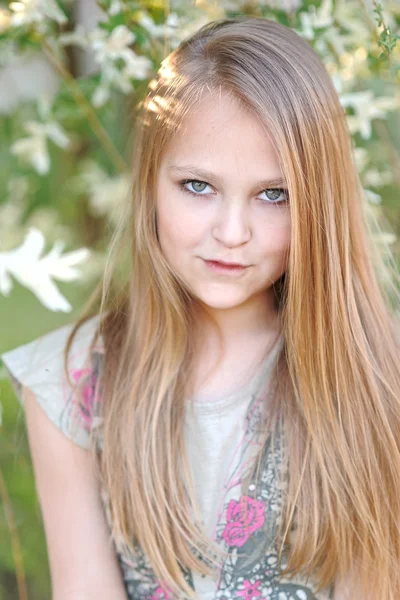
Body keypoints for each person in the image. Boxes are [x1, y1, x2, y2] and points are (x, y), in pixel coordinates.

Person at [2, 16, 400, 600]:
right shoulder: (71, 384)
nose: (232, 232)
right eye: (198, 186)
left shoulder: (375, 377)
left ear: (319, 205)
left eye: (274, 195)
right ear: (150, 187)